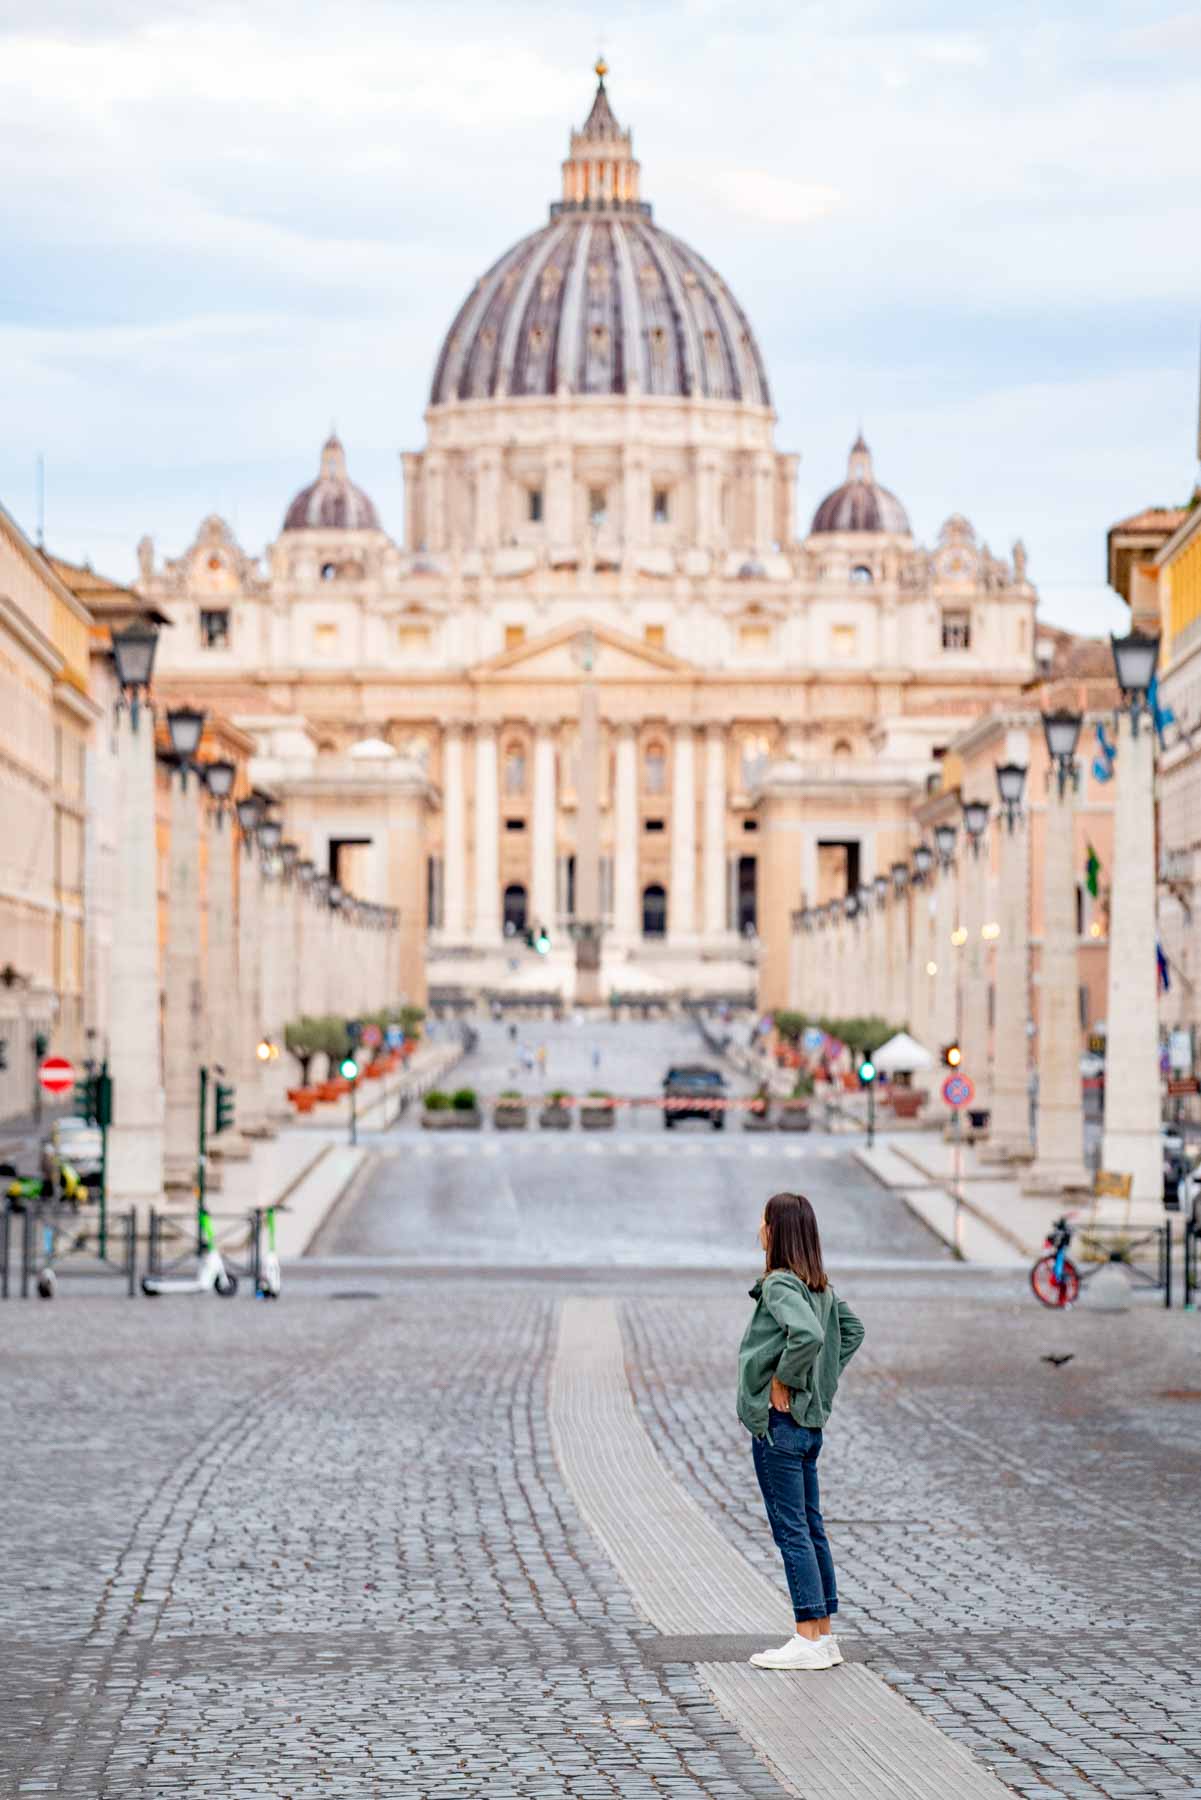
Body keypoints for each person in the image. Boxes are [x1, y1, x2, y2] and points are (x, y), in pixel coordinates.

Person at [737, 1191, 864, 1671]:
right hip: (808, 1428)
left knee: (791, 1530)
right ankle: (824, 1636)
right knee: (811, 1528)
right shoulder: (820, 1288)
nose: (759, 1228)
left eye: (763, 1221)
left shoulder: (779, 1285)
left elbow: (808, 1336)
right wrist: (819, 1385)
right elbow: (851, 1332)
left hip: (781, 1426)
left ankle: (807, 1636)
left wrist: (787, 1380)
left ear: (777, 1232)